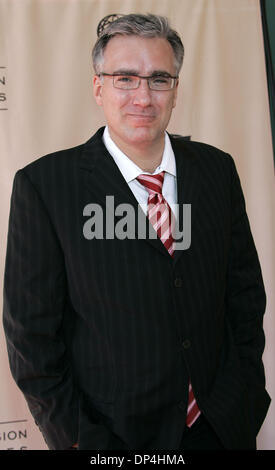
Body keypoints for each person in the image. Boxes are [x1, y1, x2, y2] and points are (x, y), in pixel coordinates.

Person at [2, 13, 271, 450]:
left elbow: (244, 297)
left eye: (159, 79)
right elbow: (31, 338)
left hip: (221, 429)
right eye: (125, 78)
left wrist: (245, 401)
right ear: (98, 88)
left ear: (176, 90)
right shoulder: (45, 186)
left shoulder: (217, 170)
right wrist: (79, 440)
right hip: (115, 439)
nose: (143, 97)